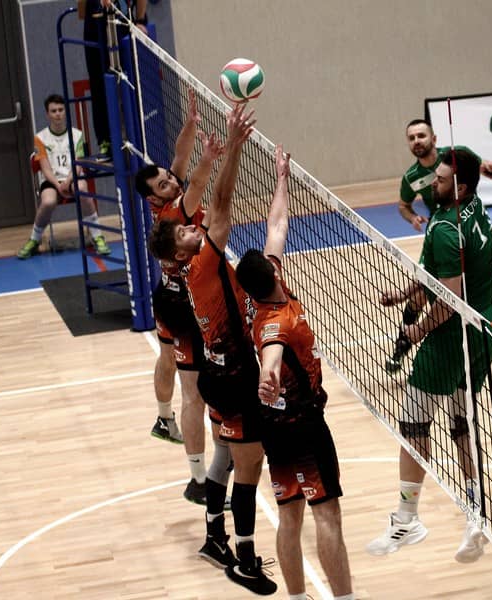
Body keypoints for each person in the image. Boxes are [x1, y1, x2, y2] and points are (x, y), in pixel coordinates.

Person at [148, 103, 277, 596]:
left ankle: (213, 538)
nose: (193, 227)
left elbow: (208, 204)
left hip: (218, 373)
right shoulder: (201, 264)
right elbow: (221, 204)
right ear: (181, 252)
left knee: (225, 452)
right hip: (235, 378)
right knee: (250, 467)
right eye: (186, 231)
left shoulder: (188, 267)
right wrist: (236, 146)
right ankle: (244, 558)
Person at [368, 148, 492, 563]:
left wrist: (416, 330)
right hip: (484, 328)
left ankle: (407, 520)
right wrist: (405, 293)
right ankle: (477, 512)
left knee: (412, 426)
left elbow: (449, 297)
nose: (433, 185)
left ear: (459, 188)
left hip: (450, 337)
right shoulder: (473, 205)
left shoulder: (444, 229)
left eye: (440, 181)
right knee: (463, 422)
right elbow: (440, 275)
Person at [236, 145, 355, 600]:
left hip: (275, 426)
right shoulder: (276, 322)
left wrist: (282, 177)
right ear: (270, 274)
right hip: (301, 426)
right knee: (326, 514)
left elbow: (277, 225)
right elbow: (271, 352)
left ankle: (297, 598)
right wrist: (267, 375)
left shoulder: (266, 291)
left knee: (290, 514)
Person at [135, 90, 223, 506]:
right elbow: (200, 181)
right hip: (186, 305)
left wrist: (189, 124)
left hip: (170, 295)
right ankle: (199, 479)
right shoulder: (175, 213)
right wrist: (214, 154)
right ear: (154, 198)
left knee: (167, 359)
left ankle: (162, 417)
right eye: (163, 183)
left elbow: (179, 159)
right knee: (195, 394)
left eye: (168, 179)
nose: (171, 180)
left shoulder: (168, 197)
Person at [386, 119, 492, 373]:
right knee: (419, 296)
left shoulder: (454, 158)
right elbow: (403, 205)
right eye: (412, 138)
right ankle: (402, 345)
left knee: (446, 289)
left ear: (434, 139)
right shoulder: (411, 177)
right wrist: (412, 218)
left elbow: (484, 172)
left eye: (421, 135)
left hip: (458, 228)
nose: (417, 141)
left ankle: (452, 335)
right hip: (439, 234)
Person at [18, 94, 110, 259]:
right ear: (48, 114)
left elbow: (79, 163)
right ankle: (34, 240)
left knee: (83, 191)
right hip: (51, 180)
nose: (58, 114)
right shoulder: (40, 138)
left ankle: (97, 236)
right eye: (54, 111)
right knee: (48, 201)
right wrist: (58, 185)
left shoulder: (77, 135)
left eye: (61, 110)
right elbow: (45, 168)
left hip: (72, 177)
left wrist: (68, 181)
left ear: (65, 112)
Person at [82, 0, 147, 158]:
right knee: (100, 84)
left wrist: (139, 20)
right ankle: (106, 140)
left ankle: (138, 135)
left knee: (131, 82)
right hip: (96, 28)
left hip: (123, 24)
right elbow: (81, 12)